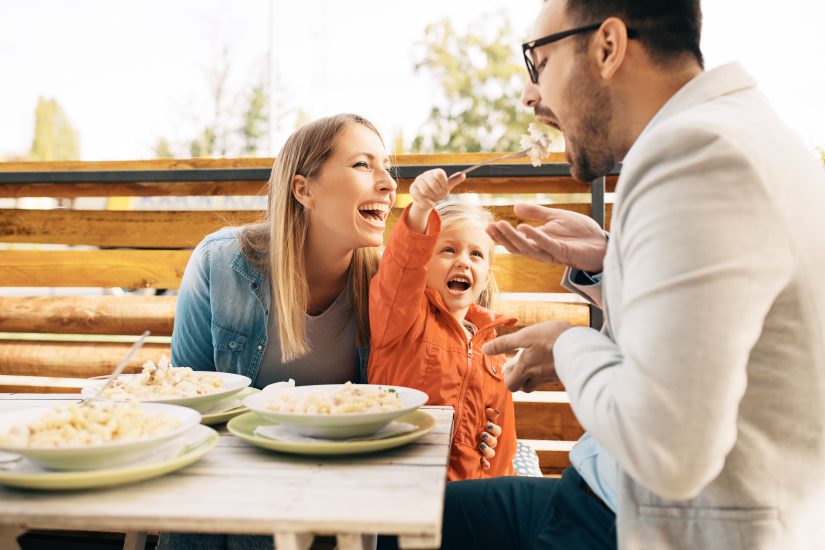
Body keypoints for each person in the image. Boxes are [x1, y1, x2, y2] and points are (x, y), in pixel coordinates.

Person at [444, 0, 825, 548]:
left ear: (608, 47)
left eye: (540, 62)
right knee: (394, 522)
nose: (530, 94)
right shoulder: (739, 131)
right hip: (599, 490)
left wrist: (568, 345)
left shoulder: (696, 155)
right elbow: (709, 324)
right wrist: (610, 261)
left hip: (640, 526)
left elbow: (667, 450)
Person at [160, 114, 504, 549]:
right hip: (241, 465)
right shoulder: (220, 263)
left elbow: (437, 374)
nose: (388, 184)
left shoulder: (389, 289)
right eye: (363, 165)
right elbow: (189, 402)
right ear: (303, 190)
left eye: (387, 168)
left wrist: (475, 429)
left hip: (346, 479)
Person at [368, 169, 517, 479]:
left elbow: (502, 445)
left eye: (476, 254)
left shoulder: (491, 347)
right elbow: (402, 266)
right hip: (404, 478)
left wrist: (498, 484)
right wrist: (422, 208)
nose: (463, 261)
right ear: (424, 263)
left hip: (469, 489)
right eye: (448, 250)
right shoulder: (402, 317)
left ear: (486, 275)